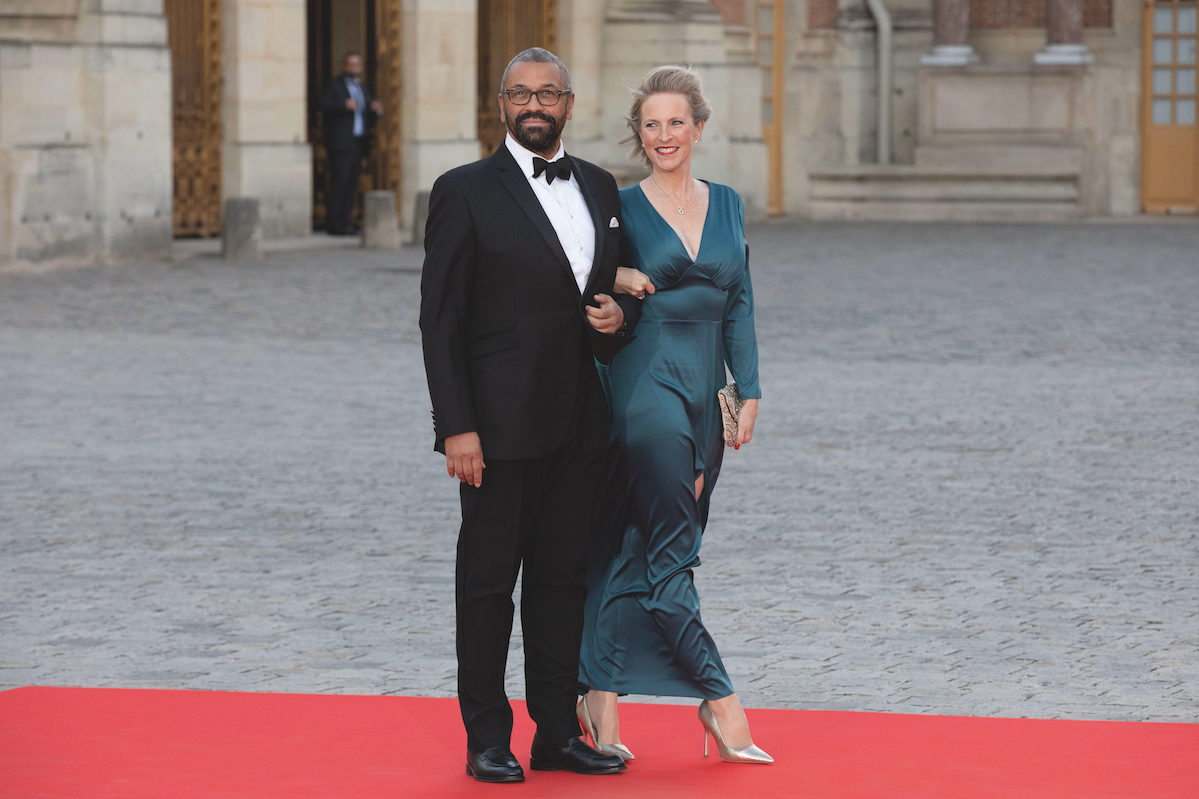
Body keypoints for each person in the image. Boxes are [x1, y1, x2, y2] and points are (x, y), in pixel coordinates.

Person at [419, 47, 643, 784]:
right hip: (495, 428)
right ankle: (486, 735)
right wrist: (456, 426)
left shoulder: (601, 185)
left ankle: (555, 732)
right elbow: (441, 318)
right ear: (501, 104)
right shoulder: (463, 191)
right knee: (487, 584)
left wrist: (622, 314)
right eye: (521, 94)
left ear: (570, 104)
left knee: (561, 581)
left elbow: (618, 284)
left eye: (548, 93)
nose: (534, 105)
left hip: (580, 424)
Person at [577, 65, 772, 765]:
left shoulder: (728, 203)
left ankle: (596, 689)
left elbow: (741, 300)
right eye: (650, 124)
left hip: (706, 390)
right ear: (639, 135)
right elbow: (581, 274)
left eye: (675, 122)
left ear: (697, 127)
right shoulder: (619, 207)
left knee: (635, 541)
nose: (664, 135)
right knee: (670, 551)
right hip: (645, 384)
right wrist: (614, 281)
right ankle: (720, 701)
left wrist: (746, 389)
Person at [318, 52, 382, 236]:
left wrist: (377, 109)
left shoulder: (362, 87)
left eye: (357, 64)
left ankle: (346, 222)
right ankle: (334, 224)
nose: (354, 68)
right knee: (340, 183)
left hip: (358, 142)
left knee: (352, 184)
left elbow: (369, 109)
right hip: (341, 143)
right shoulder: (335, 85)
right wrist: (343, 105)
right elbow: (322, 103)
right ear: (344, 66)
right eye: (350, 64)